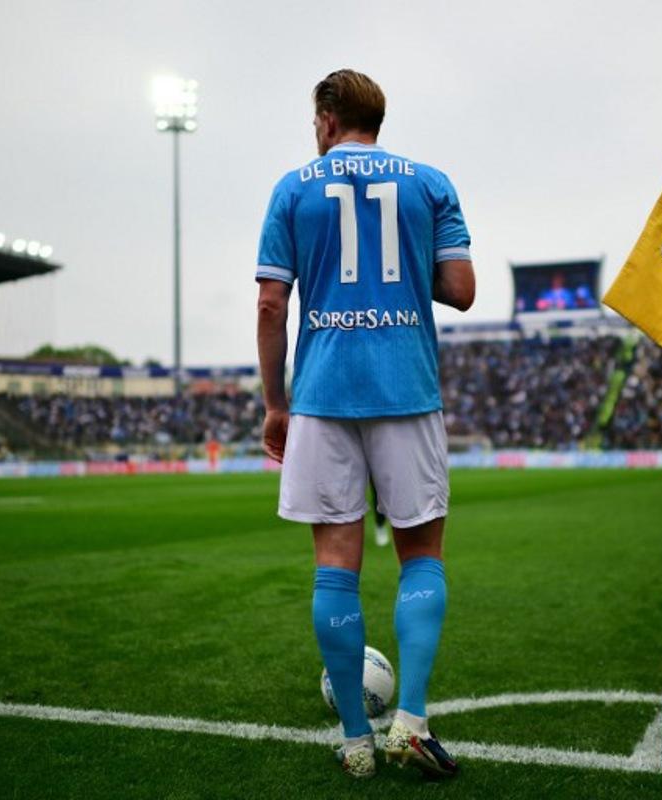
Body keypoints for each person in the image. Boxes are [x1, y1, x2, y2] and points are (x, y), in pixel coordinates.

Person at [255, 69, 474, 780]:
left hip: (323, 396)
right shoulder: (430, 183)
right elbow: (461, 290)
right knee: (422, 557)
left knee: (335, 566)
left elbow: (270, 304)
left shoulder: (293, 189)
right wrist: (405, 265)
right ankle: (410, 722)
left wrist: (276, 405)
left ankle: (355, 741)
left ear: (326, 120)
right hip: (406, 389)